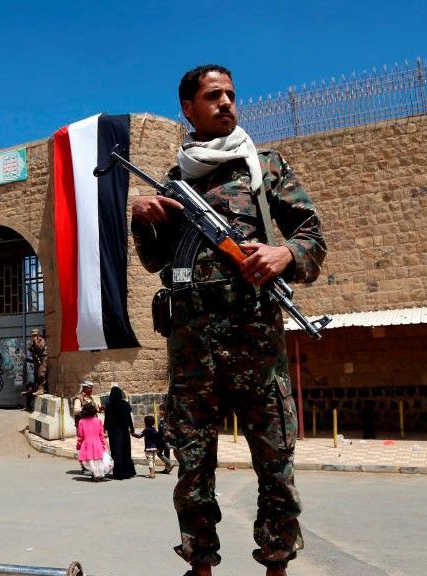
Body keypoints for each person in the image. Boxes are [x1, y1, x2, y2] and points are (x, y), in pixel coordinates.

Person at [131, 65, 326, 575]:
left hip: (256, 348)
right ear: (188, 108)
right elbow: (156, 262)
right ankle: (200, 565)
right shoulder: (175, 183)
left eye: (231, 95)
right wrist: (143, 220)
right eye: (213, 95)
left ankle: (277, 565)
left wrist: (285, 254)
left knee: (276, 466)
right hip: (192, 355)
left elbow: (312, 234)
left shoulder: (264, 165)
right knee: (193, 470)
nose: (226, 103)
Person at [103, 385, 136, 480]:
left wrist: (104, 429)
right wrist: (132, 428)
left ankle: (119, 473)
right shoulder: (125, 404)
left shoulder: (108, 405)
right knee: (125, 450)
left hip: (113, 432)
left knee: (116, 451)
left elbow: (107, 419)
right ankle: (128, 472)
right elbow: (129, 418)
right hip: (124, 431)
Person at [76, 401, 108, 482]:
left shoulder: (81, 422)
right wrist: (104, 444)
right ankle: (100, 474)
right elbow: (101, 434)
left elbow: (80, 435)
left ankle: (95, 474)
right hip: (97, 443)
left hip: (86, 444)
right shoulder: (98, 421)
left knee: (90, 461)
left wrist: (78, 445)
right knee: (98, 460)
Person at [28, 329, 48, 394]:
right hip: (37, 359)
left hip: (43, 358)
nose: (34, 336)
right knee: (36, 374)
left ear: (38, 335)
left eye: (35, 335)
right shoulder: (32, 342)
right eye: (33, 335)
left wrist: (36, 341)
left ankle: (41, 389)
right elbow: (32, 350)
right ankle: (36, 388)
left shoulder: (41, 340)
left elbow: (40, 348)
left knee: (41, 374)